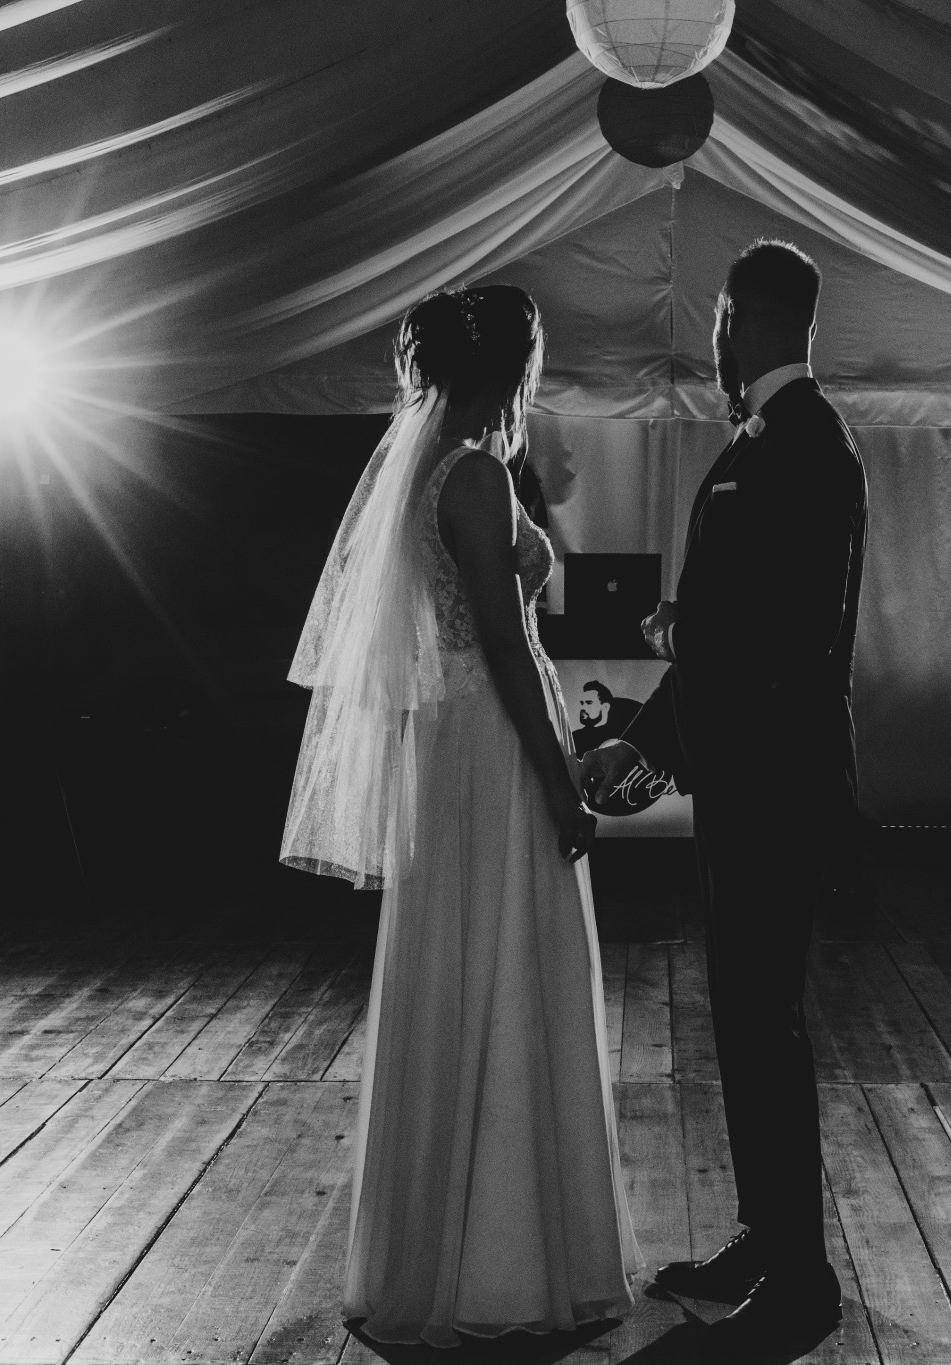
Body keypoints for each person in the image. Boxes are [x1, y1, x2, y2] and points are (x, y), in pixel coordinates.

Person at [282, 285, 643, 1347]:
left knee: (468, 970)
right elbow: (498, 639)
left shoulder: (439, 463)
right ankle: (500, 1264)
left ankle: (451, 1243)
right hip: (488, 745)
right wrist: (560, 783)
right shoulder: (475, 474)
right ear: (511, 367)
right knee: (504, 971)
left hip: (459, 743)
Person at [585, 239, 866, 1361]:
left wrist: (678, 642)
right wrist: (652, 729)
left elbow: (787, 634)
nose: (709, 341)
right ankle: (765, 1236)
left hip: (775, 780)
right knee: (742, 1021)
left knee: (766, 1022)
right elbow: (731, 622)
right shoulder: (762, 442)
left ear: (741, 322)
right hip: (741, 777)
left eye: (714, 323)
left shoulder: (808, 447)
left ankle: (801, 1283)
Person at [572, 680, 642, 757]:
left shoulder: (628, 729)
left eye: (589, 703)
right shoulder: (575, 739)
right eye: (582, 703)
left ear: (605, 706)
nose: (582, 708)